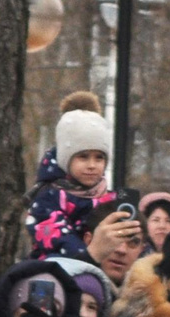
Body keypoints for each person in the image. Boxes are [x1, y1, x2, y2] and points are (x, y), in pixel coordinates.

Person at [24, 95, 117, 260]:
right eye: (83, 157)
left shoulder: (109, 198)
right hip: (57, 269)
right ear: (66, 160)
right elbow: (54, 234)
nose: (92, 165)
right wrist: (88, 255)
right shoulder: (49, 197)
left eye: (99, 158)